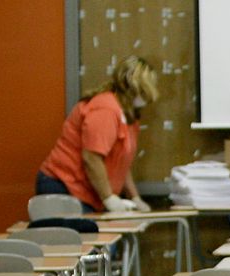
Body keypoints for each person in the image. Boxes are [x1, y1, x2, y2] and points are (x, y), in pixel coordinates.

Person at [37, 55, 158, 213]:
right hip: (64, 188)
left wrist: (134, 197)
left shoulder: (128, 116)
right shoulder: (106, 109)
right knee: (82, 236)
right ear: (133, 86)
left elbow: (121, 162)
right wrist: (109, 198)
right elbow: (92, 158)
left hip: (87, 192)